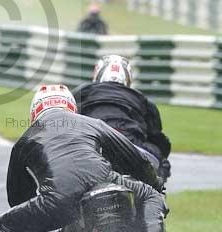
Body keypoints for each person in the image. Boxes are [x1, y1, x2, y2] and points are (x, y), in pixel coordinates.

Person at [0, 84, 169, 232]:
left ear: (34, 112)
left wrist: (41, 205)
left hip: (59, 200)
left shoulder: (25, 140)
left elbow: (17, 199)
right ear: (71, 108)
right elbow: (137, 161)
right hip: (107, 180)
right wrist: (156, 185)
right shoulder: (92, 123)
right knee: (151, 194)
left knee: (2, 229)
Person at [73, 55, 171, 186]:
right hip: (131, 146)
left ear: (98, 74)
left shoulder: (82, 92)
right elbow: (158, 139)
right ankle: (155, 199)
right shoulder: (142, 100)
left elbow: (66, 119)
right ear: (128, 78)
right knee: (162, 163)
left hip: (91, 144)